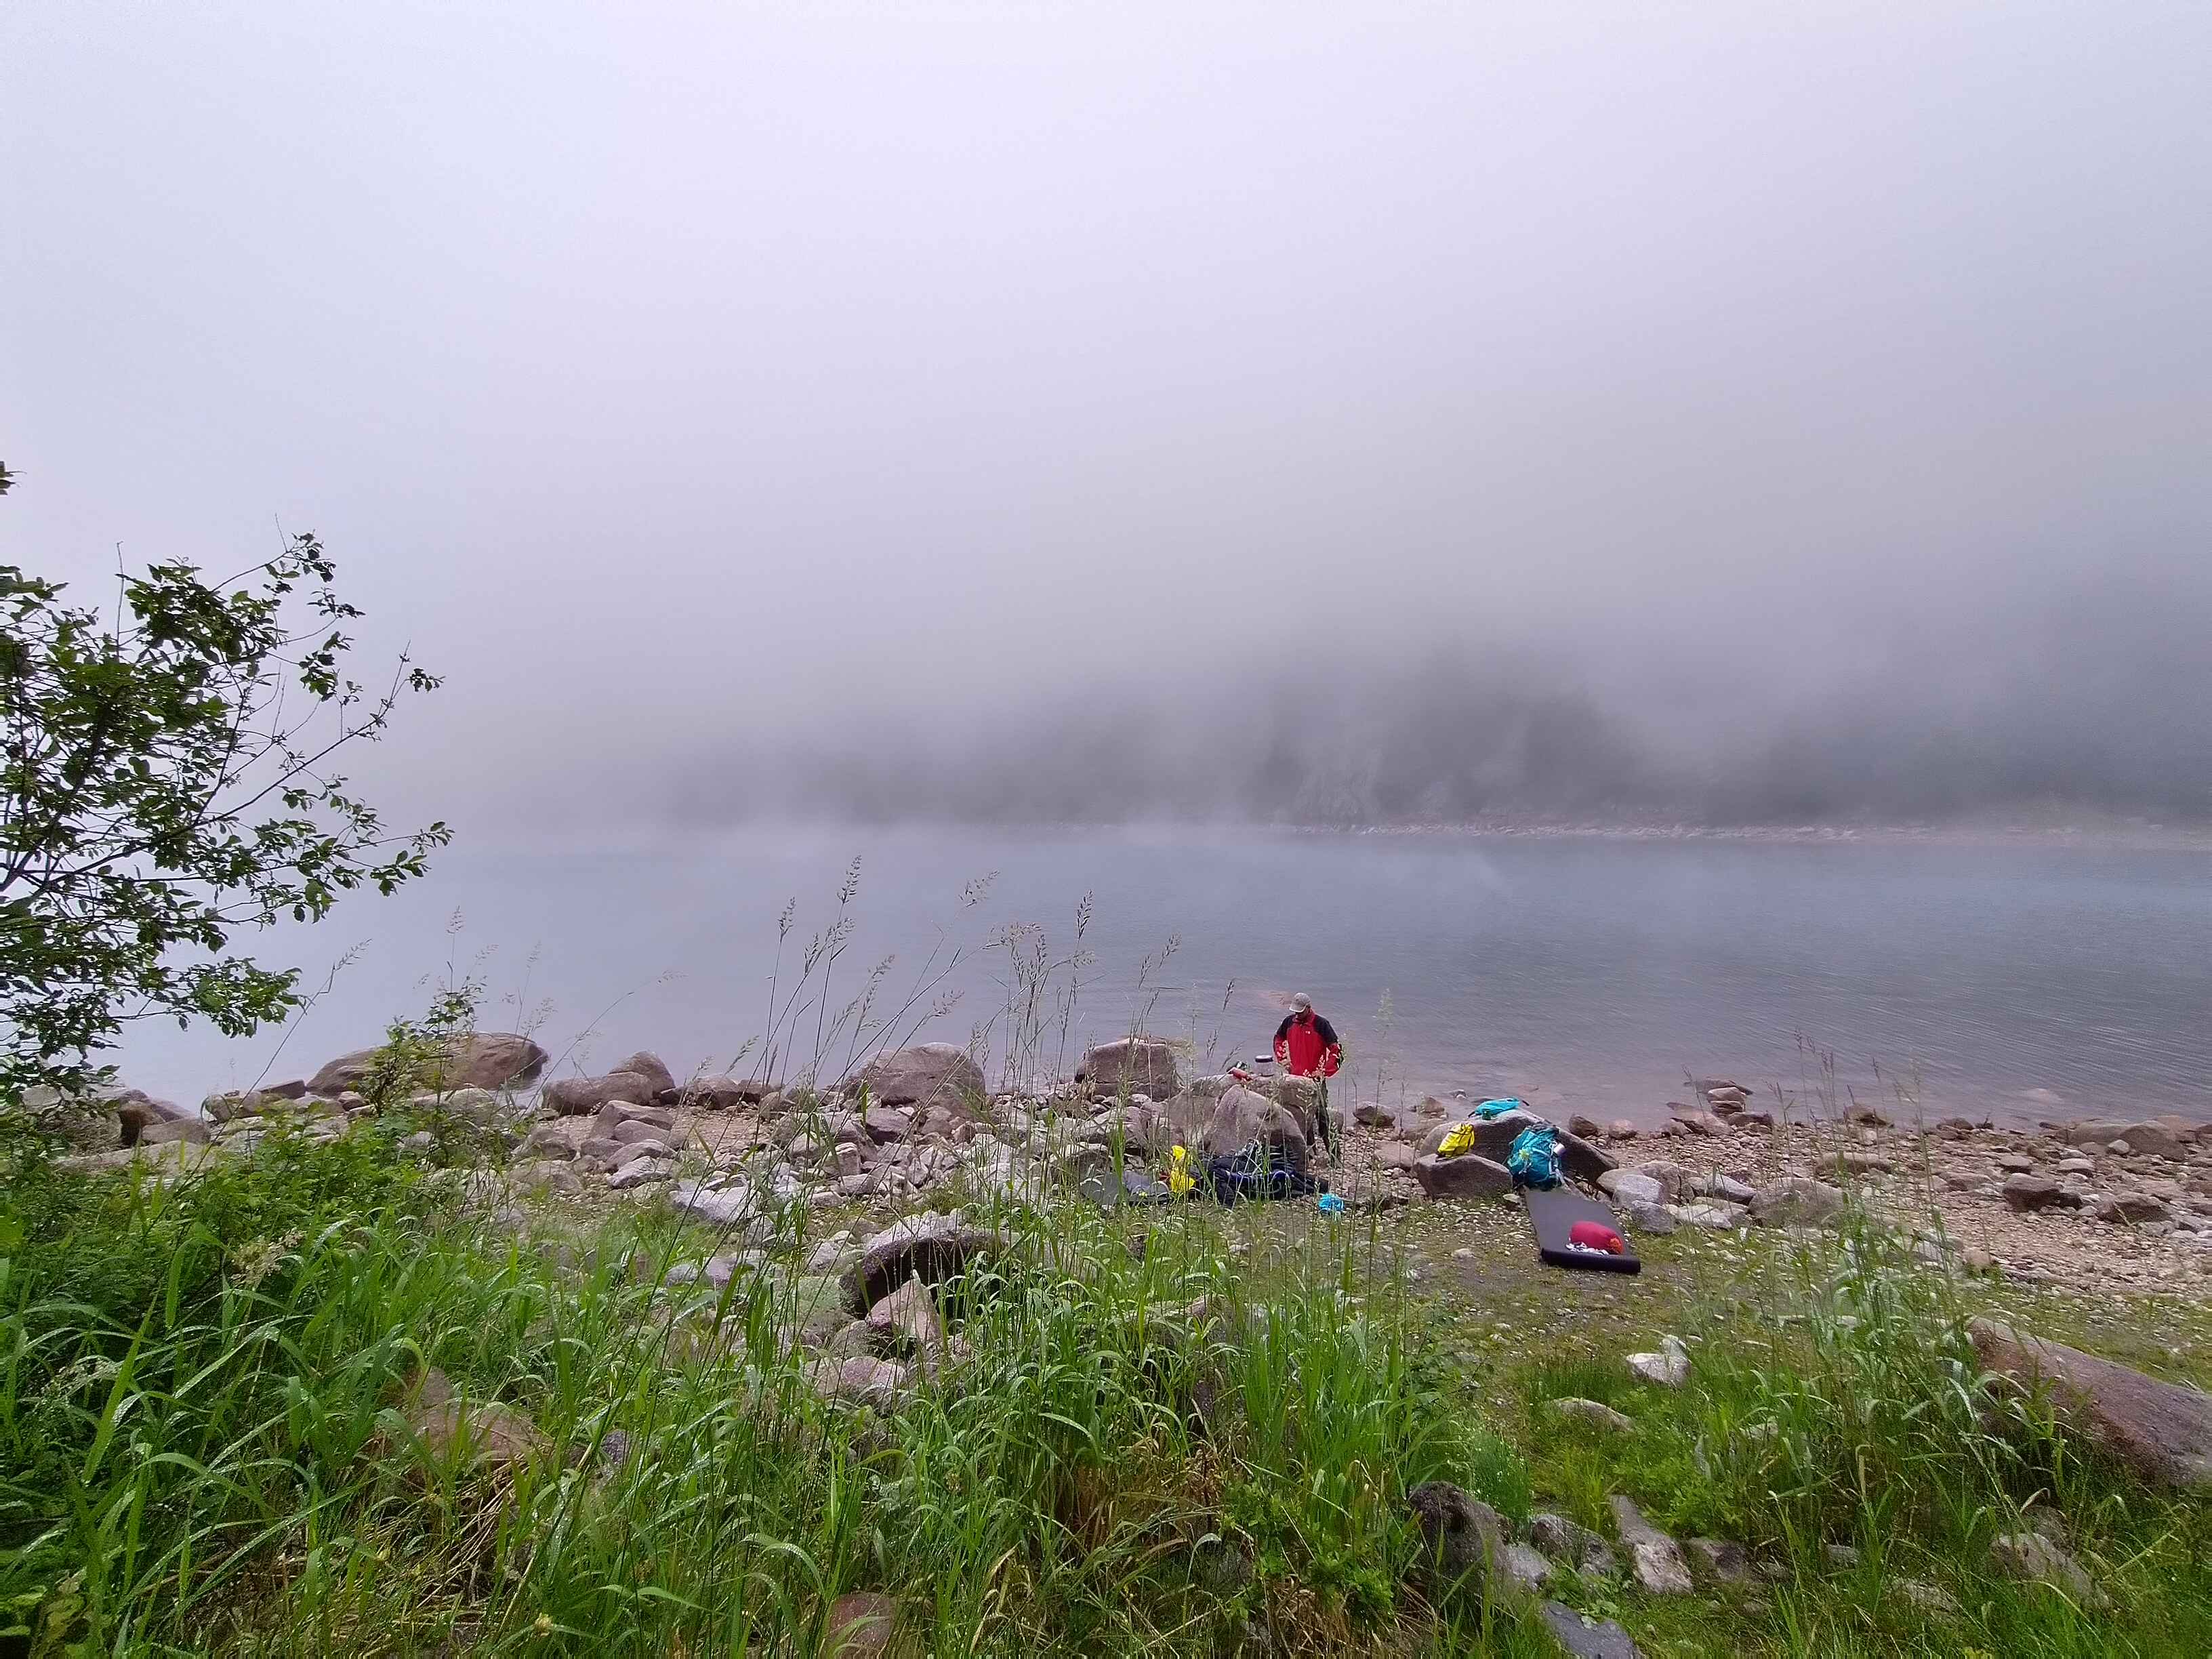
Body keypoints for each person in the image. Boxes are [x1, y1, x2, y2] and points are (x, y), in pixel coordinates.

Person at [1272, 992, 1343, 1153]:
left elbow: (1337, 1050)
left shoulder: (1321, 1024)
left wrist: (1324, 1072)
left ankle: (1335, 1157)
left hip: (1315, 1081)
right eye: (1295, 1011)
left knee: (1323, 1118)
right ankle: (1311, 1153)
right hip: (1295, 1079)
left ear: (1309, 1008)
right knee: (1303, 1119)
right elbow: (1278, 1039)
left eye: (1300, 1011)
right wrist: (1283, 1059)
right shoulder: (1289, 1022)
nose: (1297, 1014)